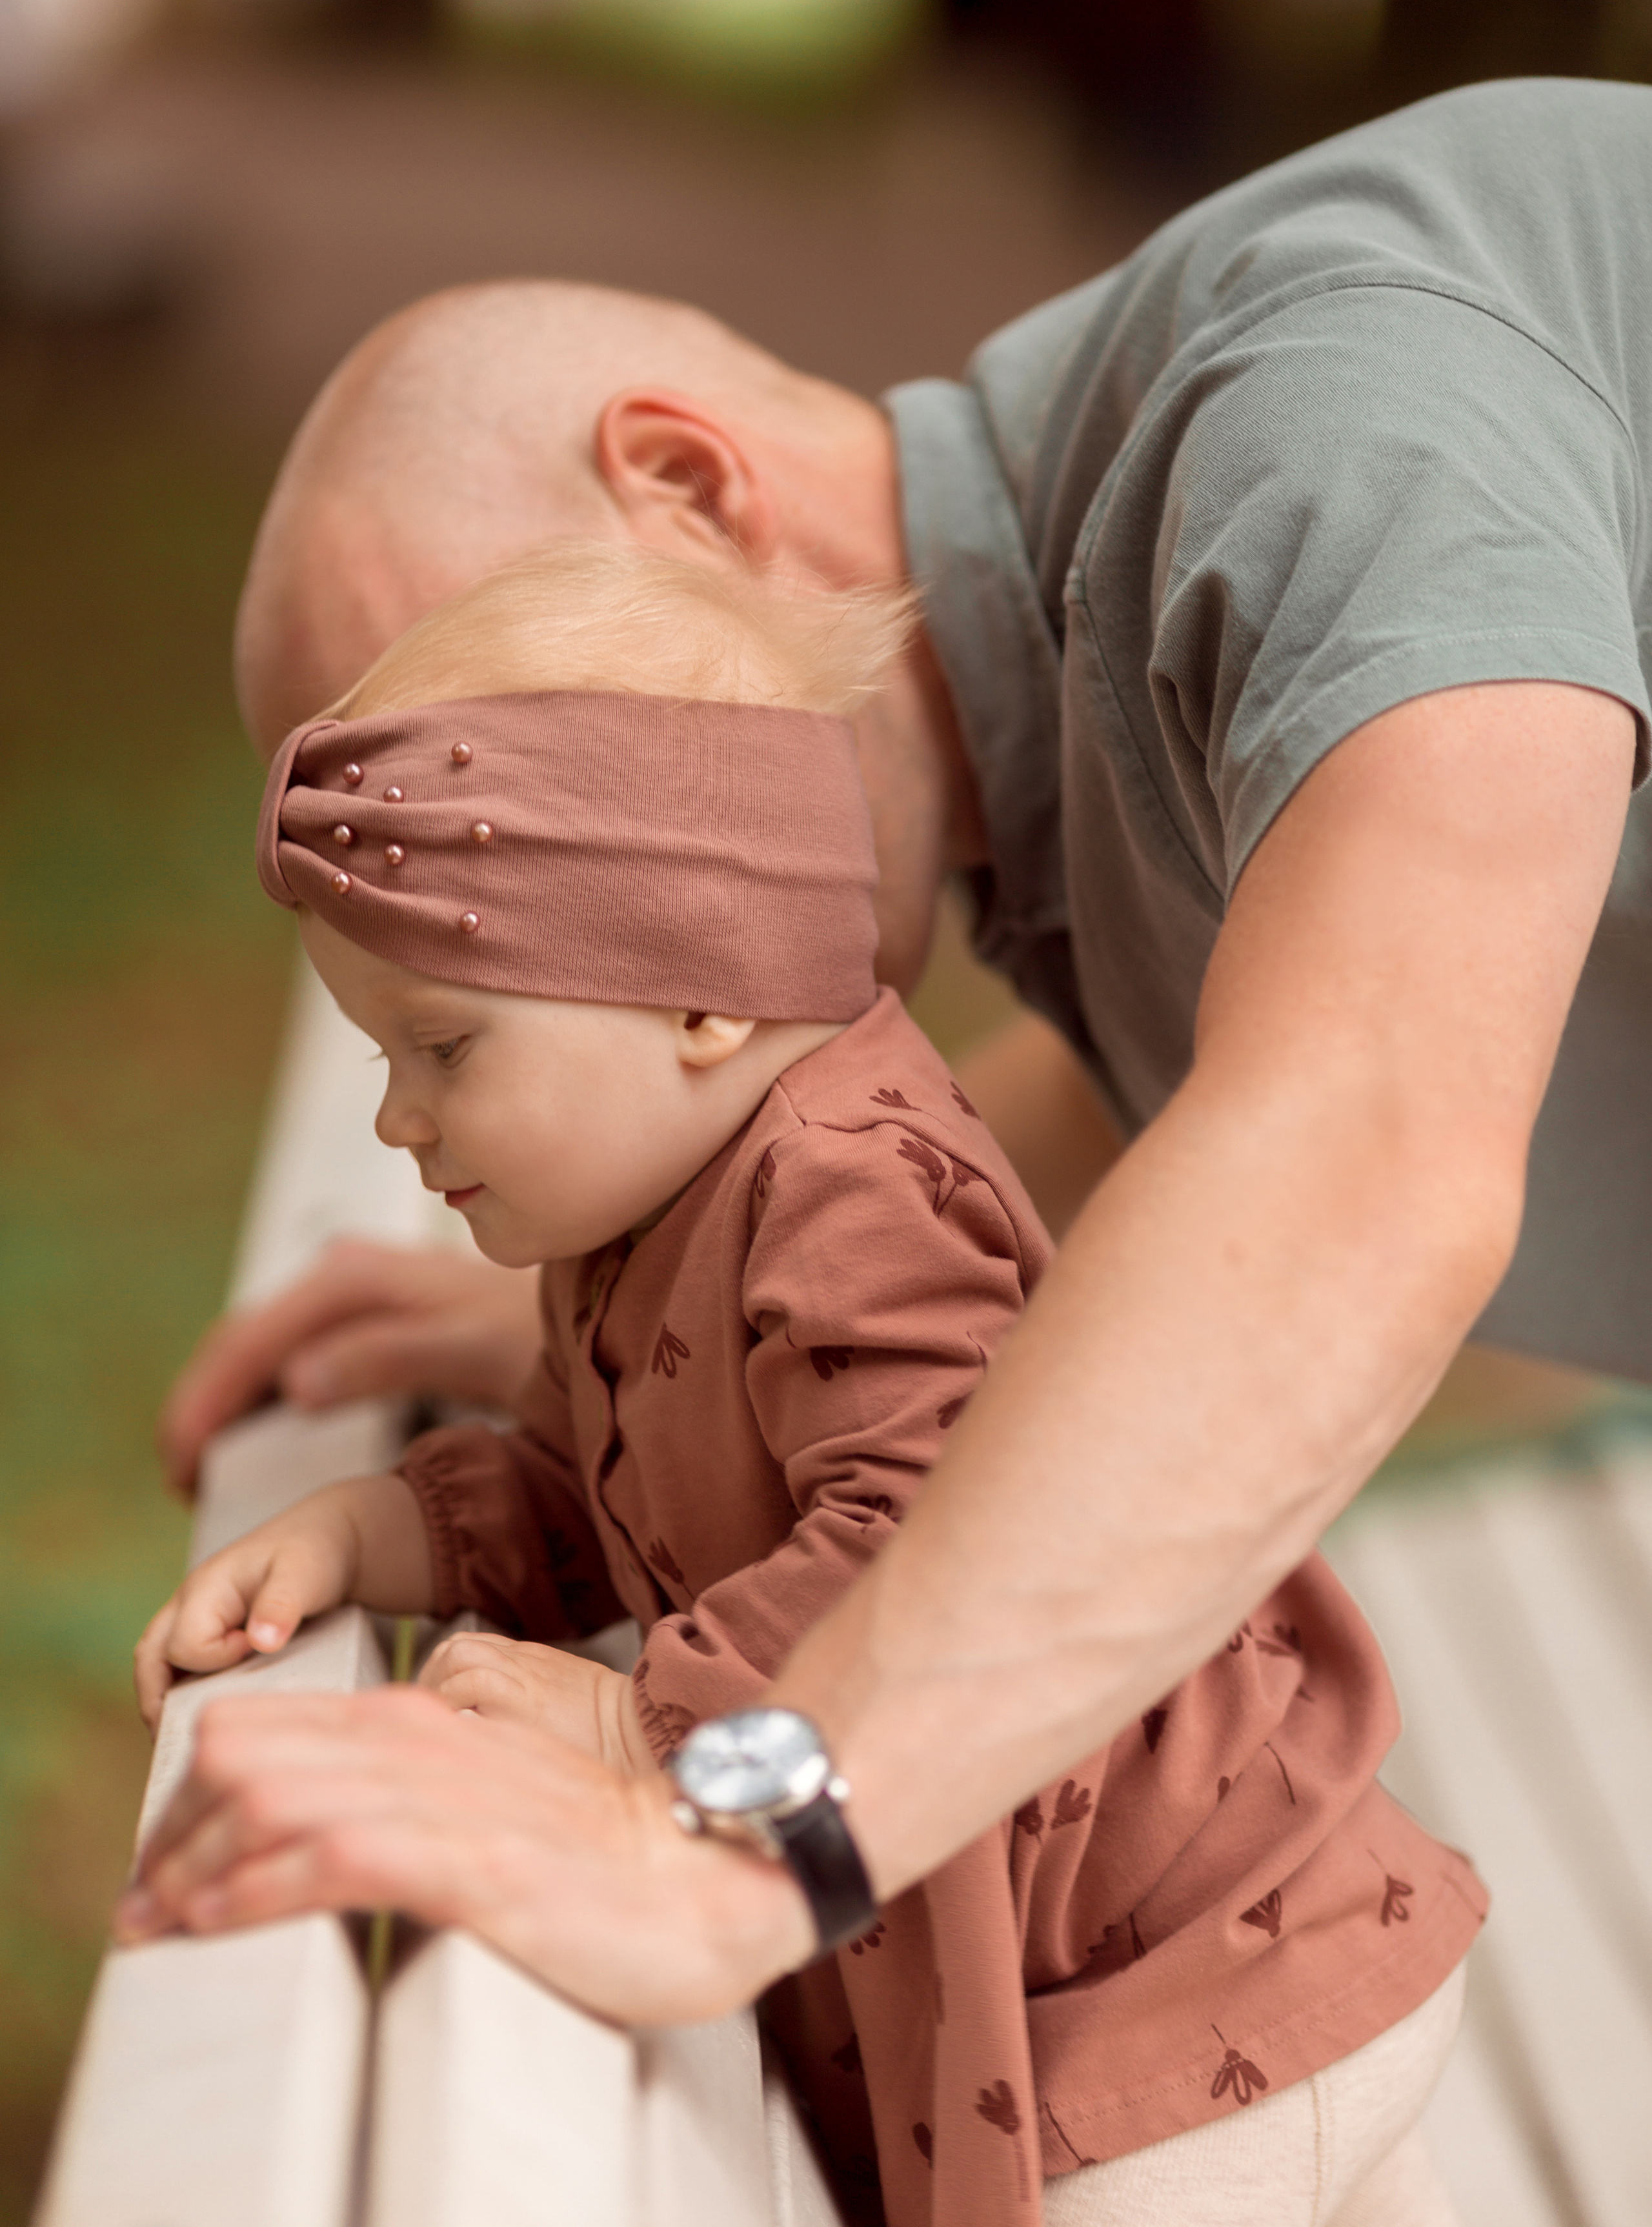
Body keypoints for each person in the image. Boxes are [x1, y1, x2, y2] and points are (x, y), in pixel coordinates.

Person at [125, 78, 1642, 2102]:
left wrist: (750, 1833)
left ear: (687, 487)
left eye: (488, 782)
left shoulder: (1332, 410)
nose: (479, 924)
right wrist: (667, 1318)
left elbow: (1359, 1154)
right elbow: (1209, 1098)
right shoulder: (1107, 704)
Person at [134, 546, 1478, 2224]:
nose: (404, 1119)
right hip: (1249, 1971)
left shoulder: (843, 1192)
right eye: (387, 1059)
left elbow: (944, 1526)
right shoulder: (646, 1213)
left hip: (1175, 2019)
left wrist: (651, 1724)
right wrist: (367, 1533)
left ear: (698, 992)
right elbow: (607, 1496)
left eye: (447, 1048)